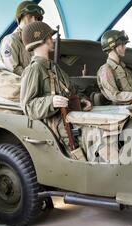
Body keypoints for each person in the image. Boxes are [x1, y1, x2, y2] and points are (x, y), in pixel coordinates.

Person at [20, 21, 91, 157]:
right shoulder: (34, 70)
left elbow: (70, 90)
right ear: (42, 40)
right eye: (49, 37)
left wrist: (82, 100)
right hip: (59, 124)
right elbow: (27, 106)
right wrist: (51, 101)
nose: (52, 40)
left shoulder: (53, 67)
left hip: (71, 117)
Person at [0, 1, 45, 75]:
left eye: (37, 18)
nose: (34, 20)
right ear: (21, 17)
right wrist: (35, 78)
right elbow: (13, 69)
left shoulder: (37, 41)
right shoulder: (11, 40)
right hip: (21, 84)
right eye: (30, 16)